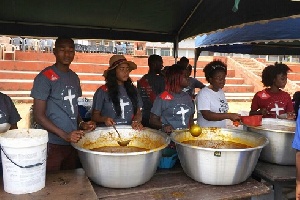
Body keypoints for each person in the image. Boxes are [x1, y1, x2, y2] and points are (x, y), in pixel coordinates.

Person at [30, 36, 96, 172]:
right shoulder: (45, 77)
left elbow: (73, 108)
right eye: (62, 50)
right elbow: (38, 115)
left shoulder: (74, 77)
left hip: (73, 142)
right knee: (51, 185)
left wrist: (82, 124)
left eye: (71, 50)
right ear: (54, 51)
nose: (67, 54)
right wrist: (64, 135)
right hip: (52, 144)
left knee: (70, 183)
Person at [91, 55, 143, 130]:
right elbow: (94, 116)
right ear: (113, 71)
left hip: (130, 132)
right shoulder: (102, 91)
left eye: (127, 69)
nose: (126, 72)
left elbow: (138, 112)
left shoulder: (133, 90)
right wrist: (104, 119)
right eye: (122, 69)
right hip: (107, 134)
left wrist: (136, 121)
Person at [149, 64, 194, 134]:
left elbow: (190, 119)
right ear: (176, 78)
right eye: (185, 76)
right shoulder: (162, 97)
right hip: (168, 139)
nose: (188, 78)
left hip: (184, 138)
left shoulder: (187, 97)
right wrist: (164, 126)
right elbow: (152, 120)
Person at [195, 60, 240, 128]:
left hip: (219, 132)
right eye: (218, 78)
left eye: (223, 78)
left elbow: (221, 112)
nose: (222, 80)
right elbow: (207, 115)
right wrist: (229, 115)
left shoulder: (220, 92)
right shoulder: (204, 94)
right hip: (206, 133)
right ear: (210, 79)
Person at [137, 54, 165, 127]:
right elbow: (165, 100)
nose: (162, 66)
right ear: (154, 64)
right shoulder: (161, 80)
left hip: (144, 116)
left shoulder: (141, 80)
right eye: (161, 64)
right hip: (156, 118)